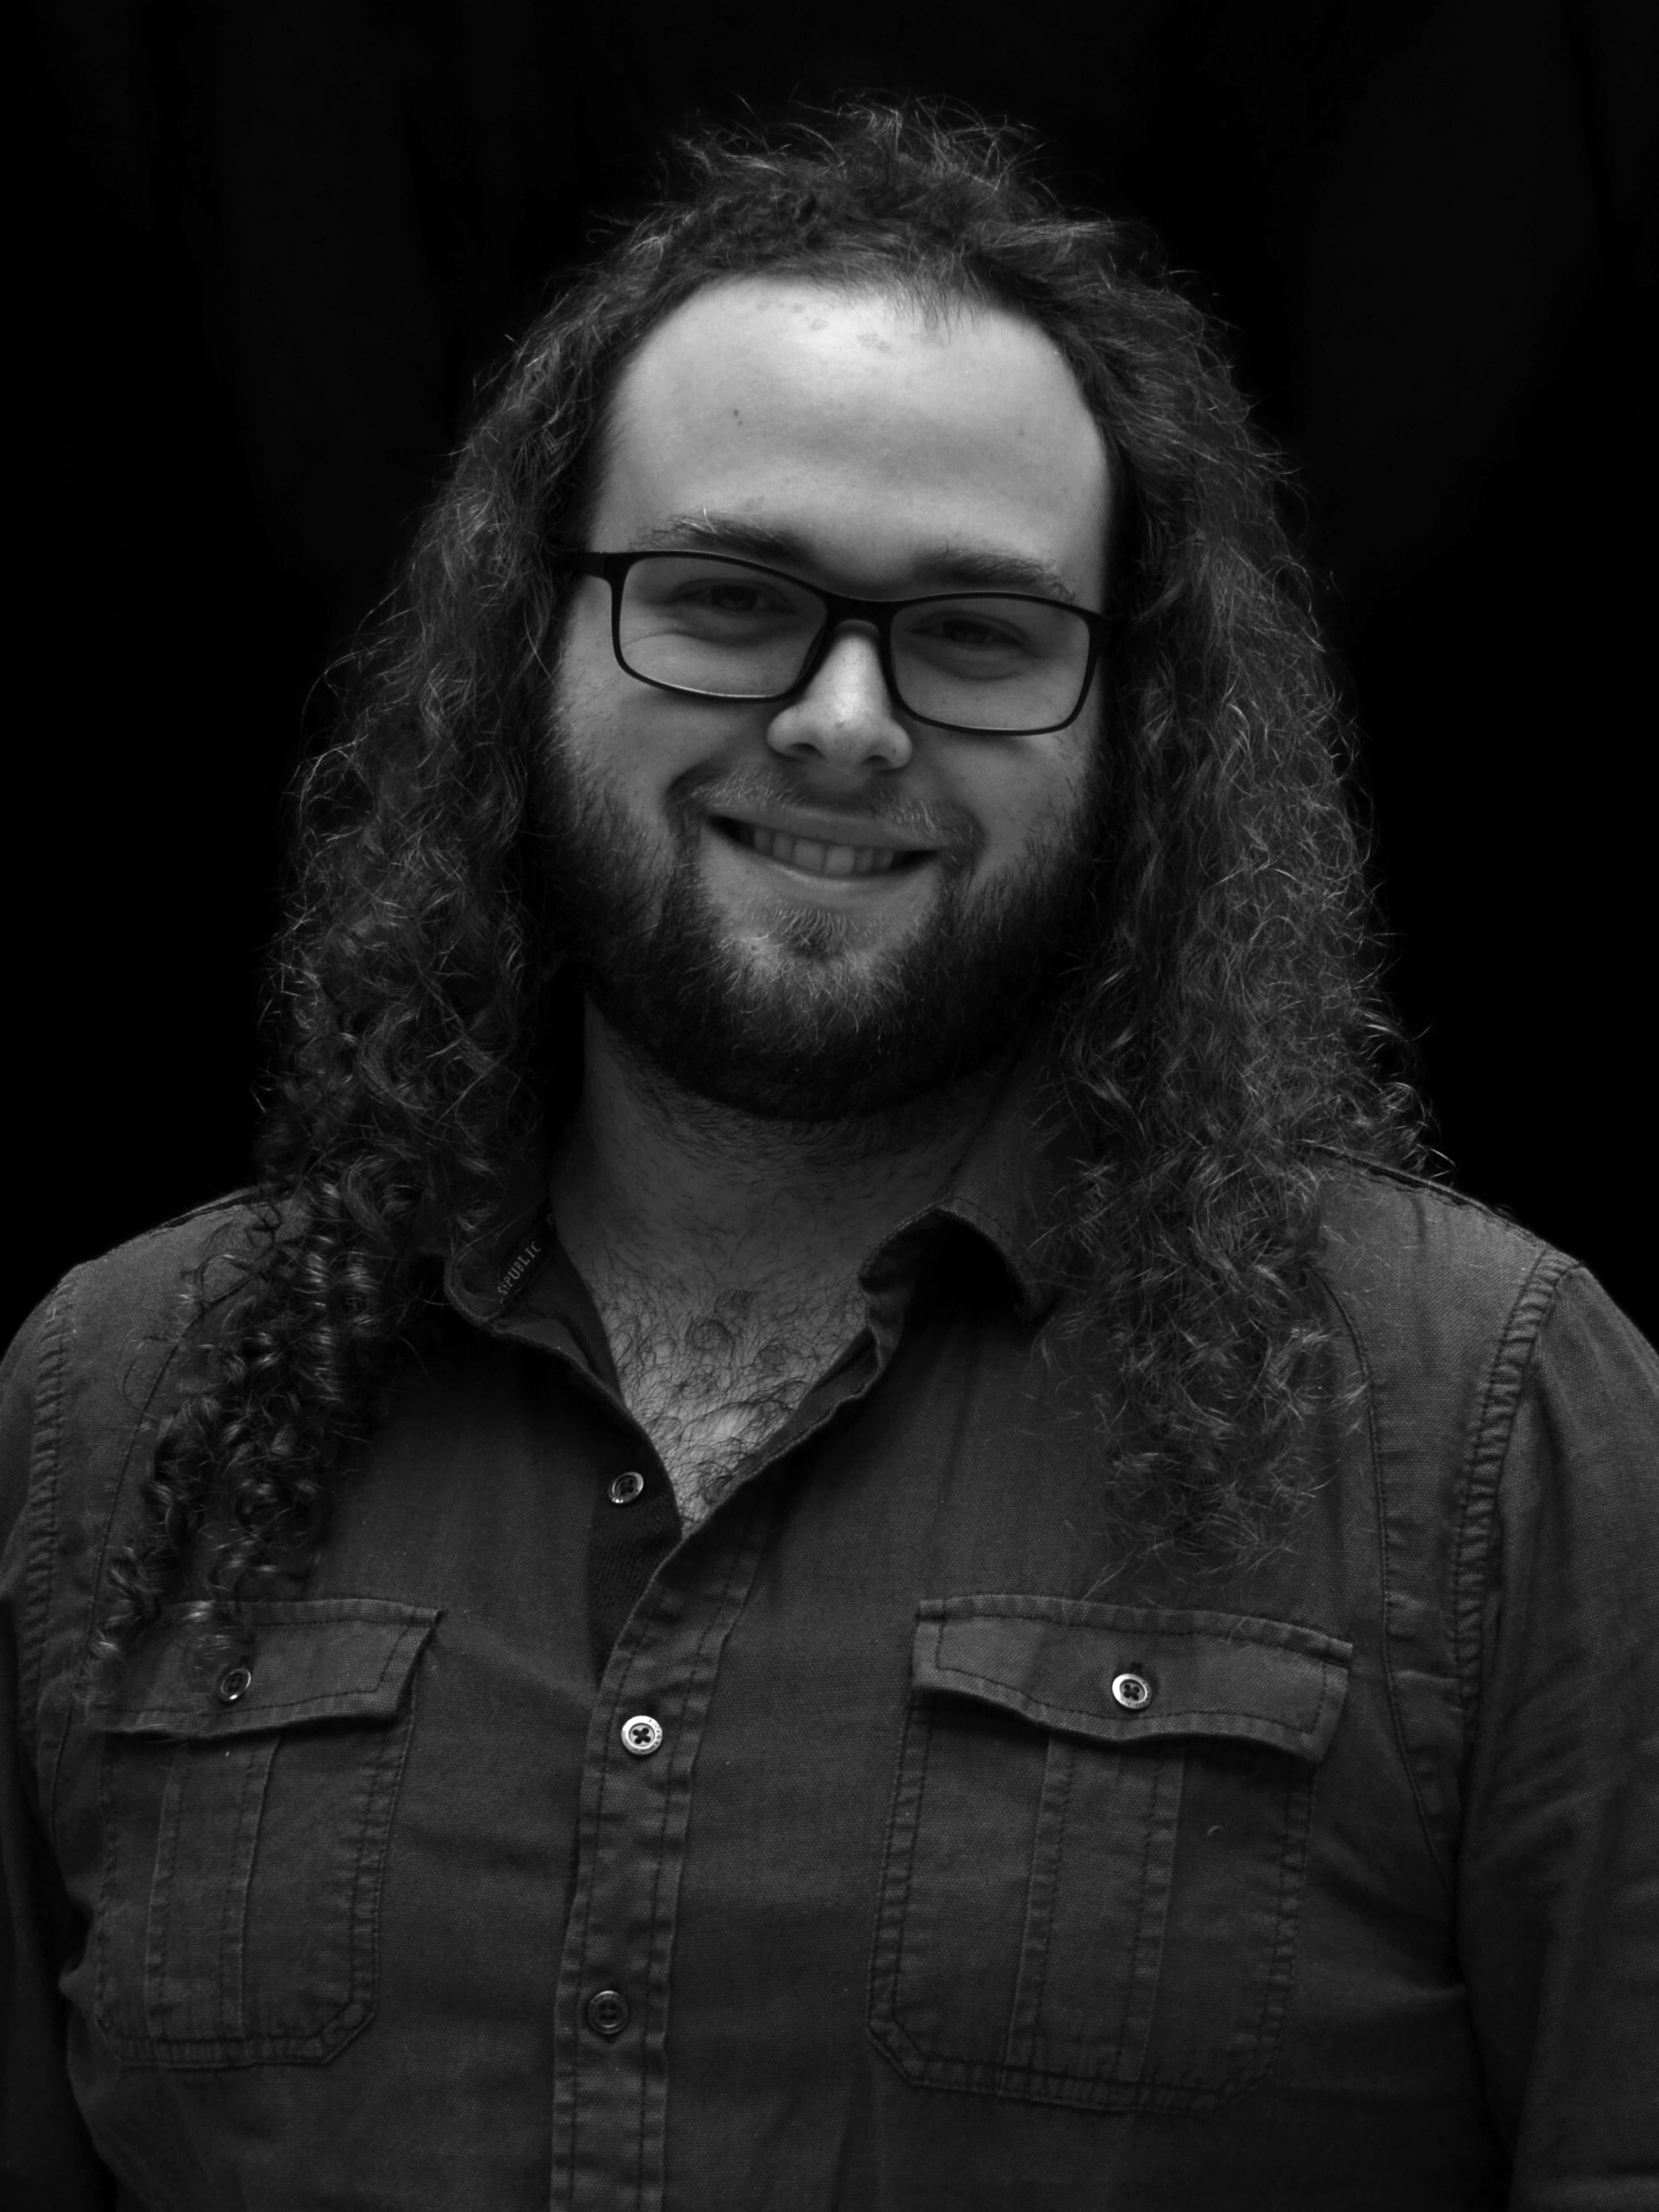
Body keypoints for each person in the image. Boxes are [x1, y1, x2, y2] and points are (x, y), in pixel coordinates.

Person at [3, 103, 1654, 2212]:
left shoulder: (1492, 1422)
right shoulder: (110, 1405)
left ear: (1129, 716)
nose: (844, 720)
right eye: (722, 595)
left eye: (976, 631)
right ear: (528, 638)